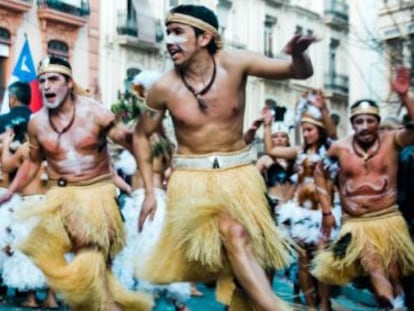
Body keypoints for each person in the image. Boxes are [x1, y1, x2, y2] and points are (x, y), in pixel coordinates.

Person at [133, 4, 317, 311]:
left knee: (246, 256)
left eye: (178, 32)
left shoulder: (236, 64)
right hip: (192, 180)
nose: (168, 40)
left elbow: (298, 72)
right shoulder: (163, 87)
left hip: (239, 176)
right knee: (235, 233)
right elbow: (141, 134)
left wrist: (298, 54)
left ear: (204, 38)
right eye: (167, 32)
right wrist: (151, 193)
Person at [0, 56, 153, 311]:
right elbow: (32, 162)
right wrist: (10, 192)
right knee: (84, 279)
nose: (46, 86)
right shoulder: (36, 122)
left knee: (91, 263)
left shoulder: (95, 112)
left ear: (69, 82)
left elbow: (131, 142)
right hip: (59, 198)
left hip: (95, 196)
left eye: (53, 79)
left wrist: (148, 190)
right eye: (42, 81)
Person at [311, 66, 414, 310]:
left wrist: (403, 95)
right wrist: (326, 212)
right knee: (373, 265)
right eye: (359, 121)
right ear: (352, 124)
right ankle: (391, 307)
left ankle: (395, 303)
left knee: (394, 272)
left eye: (370, 121)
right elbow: (319, 174)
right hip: (356, 224)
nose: (365, 126)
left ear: (378, 123)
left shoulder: (393, 141)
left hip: (389, 220)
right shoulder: (339, 148)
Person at [263, 90, 338, 310]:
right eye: (303, 130)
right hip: (301, 212)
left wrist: (323, 110)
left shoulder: (330, 150)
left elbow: (333, 135)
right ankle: (311, 304)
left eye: (310, 130)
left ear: (320, 130)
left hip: (323, 212)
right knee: (303, 262)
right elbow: (271, 149)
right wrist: (268, 124)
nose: (305, 134)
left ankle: (324, 304)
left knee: (323, 258)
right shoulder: (299, 151)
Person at [0, 129, 58, 308]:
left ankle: (32, 298)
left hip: (28, 206)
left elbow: (6, 166)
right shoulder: (53, 151)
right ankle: (51, 297)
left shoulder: (26, 149)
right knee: (50, 250)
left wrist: (7, 143)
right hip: (48, 203)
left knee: (28, 249)